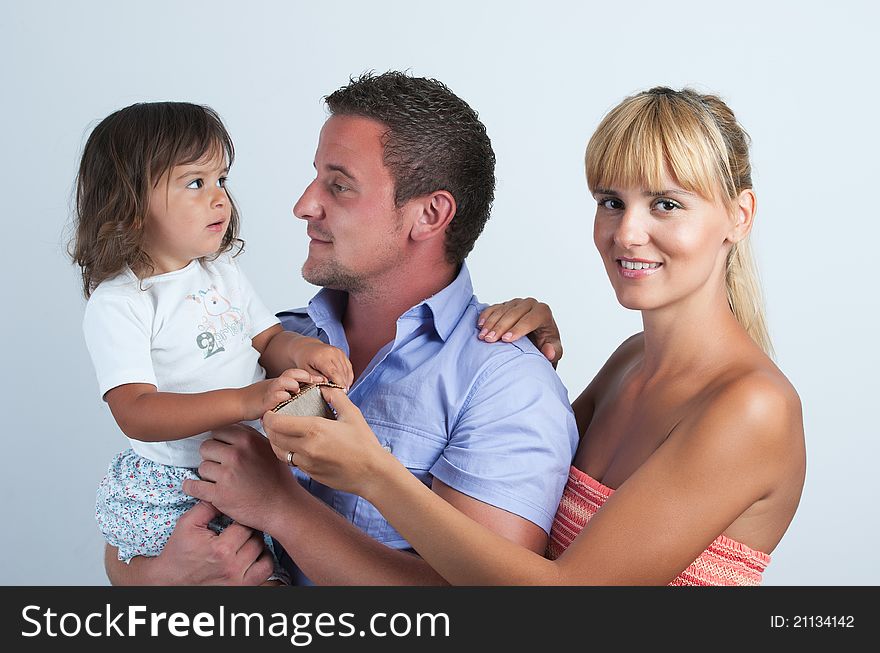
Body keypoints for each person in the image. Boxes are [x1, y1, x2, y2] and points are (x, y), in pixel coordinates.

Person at [259, 87, 807, 585]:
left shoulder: (752, 409)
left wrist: (374, 475)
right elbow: (525, 472)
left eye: (666, 203)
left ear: (740, 215)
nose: (627, 233)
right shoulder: (631, 362)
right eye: (611, 201)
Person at [105, 73, 579, 585]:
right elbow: (135, 521)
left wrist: (282, 508)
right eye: (314, 178)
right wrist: (161, 577)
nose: (304, 205)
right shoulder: (266, 338)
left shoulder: (507, 386)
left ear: (430, 214)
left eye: (339, 185)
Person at [71, 101, 353, 585]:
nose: (220, 199)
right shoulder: (121, 303)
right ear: (130, 203)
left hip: (247, 466)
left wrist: (305, 351)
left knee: (267, 570)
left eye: (221, 180)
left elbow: (268, 340)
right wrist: (247, 400)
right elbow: (134, 410)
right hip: (174, 483)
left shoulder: (221, 272)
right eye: (195, 183)